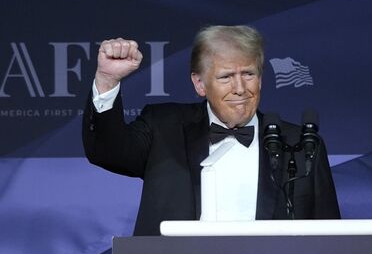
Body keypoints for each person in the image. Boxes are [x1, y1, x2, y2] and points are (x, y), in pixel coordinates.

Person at [83, 25, 340, 235]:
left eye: (248, 74)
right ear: (199, 84)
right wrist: (107, 80)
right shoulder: (163, 126)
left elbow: (331, 236)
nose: (240, 88)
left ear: (261, 78)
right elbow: (107, 151)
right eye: (226, 77)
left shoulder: (300, 144)